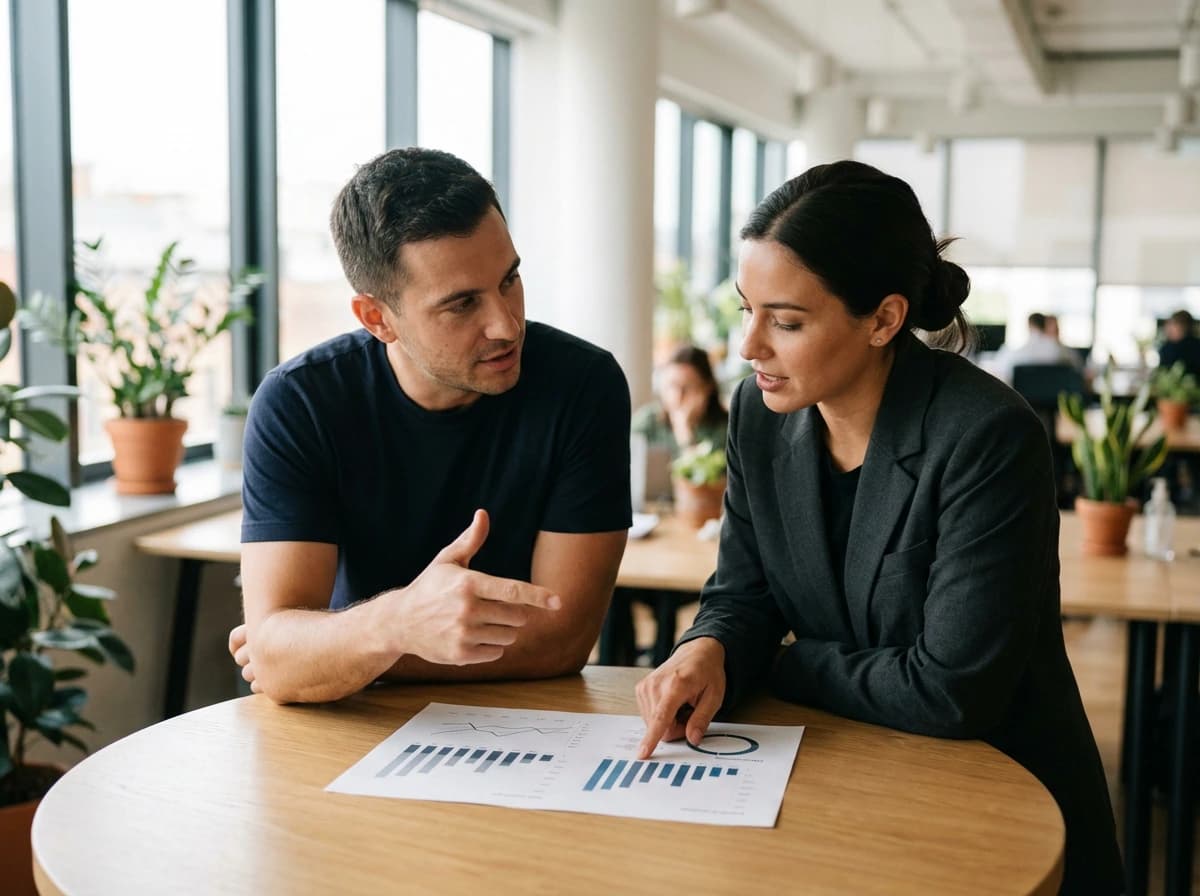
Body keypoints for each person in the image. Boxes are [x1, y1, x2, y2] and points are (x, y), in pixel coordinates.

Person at [633, 161, 1122, 894]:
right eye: (746, 310)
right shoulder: (757, 417)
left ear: (884, 319)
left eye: (786, 321)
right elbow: (744, 591)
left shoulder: (985, 435)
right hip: (841, 787)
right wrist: (709, 646)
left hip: (997, 808)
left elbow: (952, 690)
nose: (749, 346)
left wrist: (772, 662)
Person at [227, 147, 631, 704]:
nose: (507, 324)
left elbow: (562, 643)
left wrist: (340, 651)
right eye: (462, 304)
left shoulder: (584, 385)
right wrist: (397, 622)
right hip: (351, 736)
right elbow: (279, 662)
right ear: (377, 318)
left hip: (528, 724)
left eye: (509, 279)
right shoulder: (300, 403)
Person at [631, 345, 729, 459]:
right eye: (671, 386)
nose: (677, 396)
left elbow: (702, 475)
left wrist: (683, 430)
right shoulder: (648, 421)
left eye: (687, 387)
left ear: (707, 388)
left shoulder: (725, 429)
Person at [990, 311, 1084, 385]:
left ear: (1029, 326)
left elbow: (997, 375)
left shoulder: (1010, 353)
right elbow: (1079, 372)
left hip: (1021, 406)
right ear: (1045, 326)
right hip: (1054, 405)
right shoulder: (1064, 353)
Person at [1159, 309, 1200, 379]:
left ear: (1184, 326)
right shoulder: (1166, 347)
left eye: (1174, 324)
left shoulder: (1195, 347)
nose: (1169, 328)